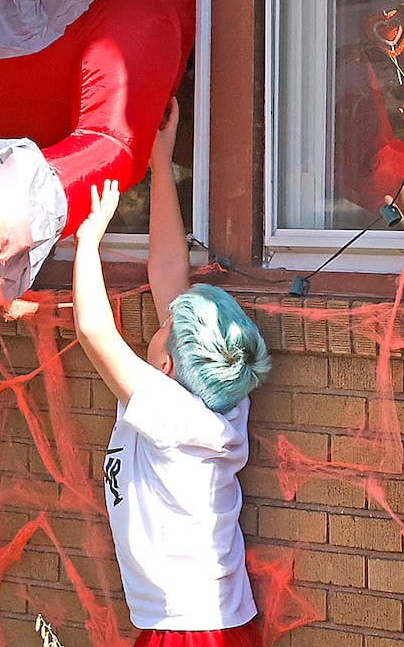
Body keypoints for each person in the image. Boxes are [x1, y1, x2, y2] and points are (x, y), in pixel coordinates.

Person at [72, 100, 272, 647]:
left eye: (165, 326)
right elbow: (168, 270)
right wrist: (161, 158)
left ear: (163, 366)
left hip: (192, 633)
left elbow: (93, 330)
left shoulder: (173, 416)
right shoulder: (216, 390)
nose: (162, 317)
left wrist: (87, 243)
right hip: (199, 623)